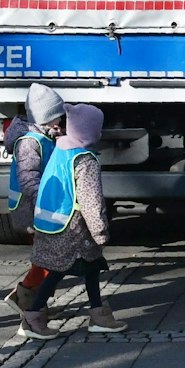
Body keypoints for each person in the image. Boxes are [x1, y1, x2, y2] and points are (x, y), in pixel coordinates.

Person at [20, 104, 123, 339]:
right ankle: (33, 315)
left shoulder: (62, 150)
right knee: (60, 269)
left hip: (55, 223)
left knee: (92, 266)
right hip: (74, 227)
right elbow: (91, 201)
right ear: (91, 130)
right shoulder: (85, 160)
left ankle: (99, 315)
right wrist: (100, 231)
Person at [2, 84, 66, 312]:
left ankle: (35, 300)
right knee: (47, 259)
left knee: (47, 257)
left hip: (38, 210)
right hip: (30, 211)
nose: (60, 122)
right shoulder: (30, 142)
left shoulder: (44, 138)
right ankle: (25, 298)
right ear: (44, 118)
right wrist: (44, 202)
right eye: (57, 117)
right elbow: (29, 179)